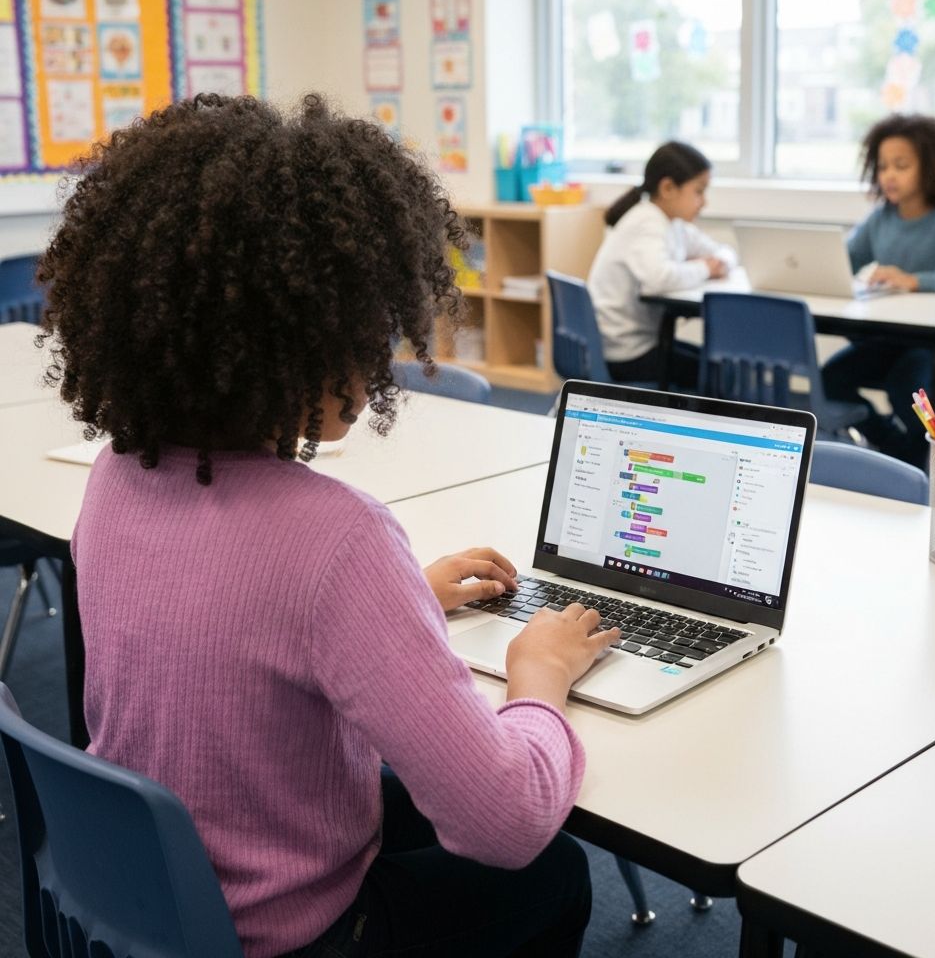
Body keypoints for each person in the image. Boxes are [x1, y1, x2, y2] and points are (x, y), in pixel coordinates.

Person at [35, 93, 620, 958]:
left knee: (399, 793)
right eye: (367, 322)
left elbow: (226, 628)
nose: (379, 347)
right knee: (556, 871)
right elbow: (504, 822)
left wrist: (402, 605)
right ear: (305, 336)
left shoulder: (118, 475)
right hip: (294, 936)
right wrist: (539, 677)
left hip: (154, 893)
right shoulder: (336, 540)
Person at [821, 113, 935, 469]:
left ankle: (924, 462)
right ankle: (898, 450)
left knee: (908, 388)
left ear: (931, 167)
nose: (889, 174)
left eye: (901, 165)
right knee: (830, 380)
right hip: (889, 338)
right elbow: (844, 264)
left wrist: (914, 280)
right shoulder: (880, 218)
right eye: (883, 165)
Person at [587, 140, 736, 388]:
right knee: (718, 374)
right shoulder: (647, 223)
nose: (704, 202)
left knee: (718, 365)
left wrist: (720, 260)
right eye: (699, 191)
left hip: (639, 342)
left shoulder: (671, 223)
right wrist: (706, 268)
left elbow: (723, 251)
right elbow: (659, 278)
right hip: (625, 352)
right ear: (668, 188)